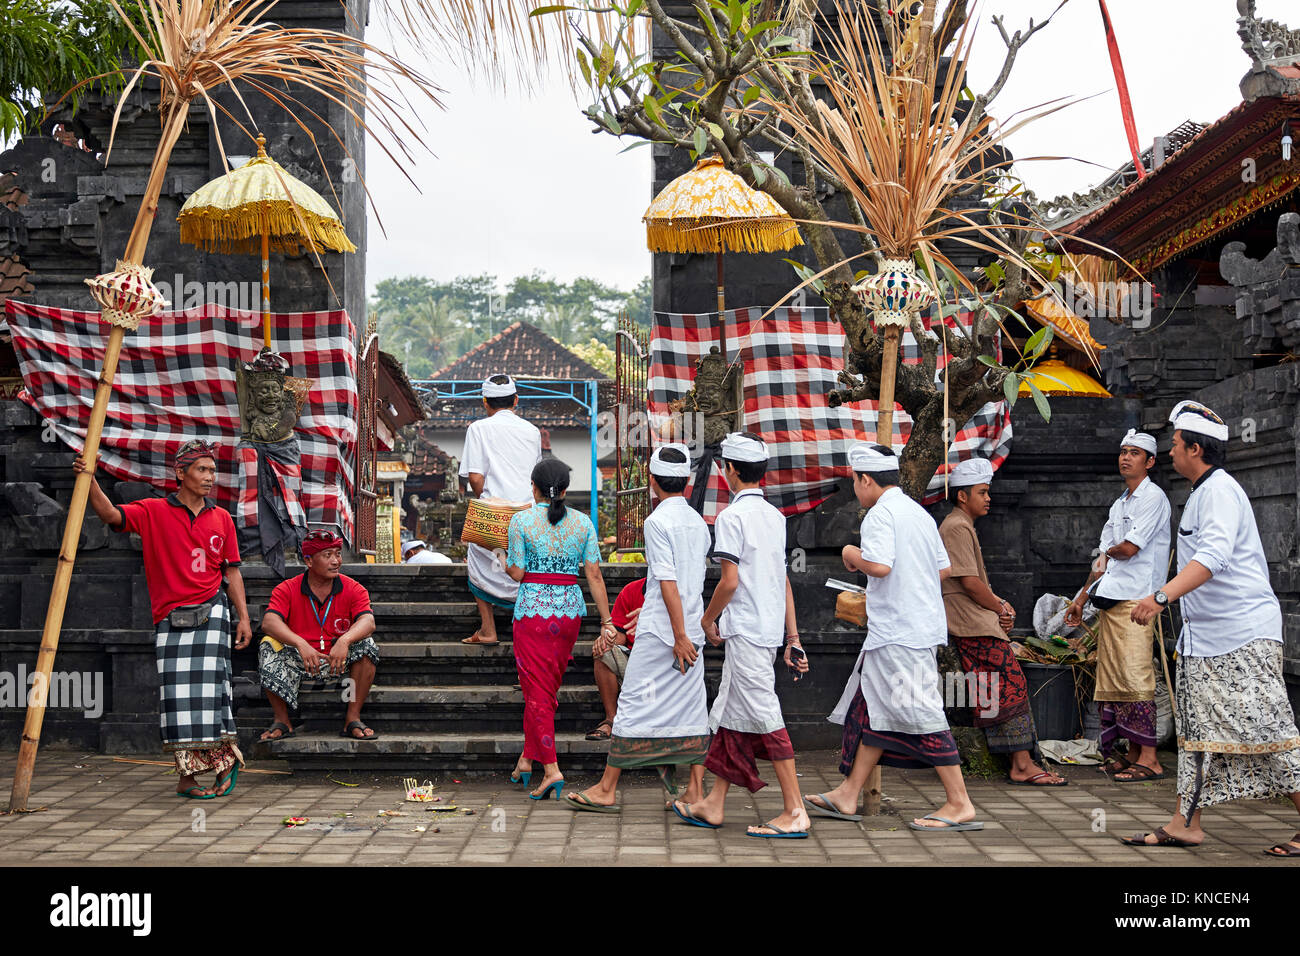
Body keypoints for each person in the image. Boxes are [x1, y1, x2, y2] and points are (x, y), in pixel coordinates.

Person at [1124, 401, 1300, 855]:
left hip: (1241, 636)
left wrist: (1161, 596)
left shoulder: (1220, 491)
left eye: (1176, 446)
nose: (1170, 453)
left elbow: (1214, 559)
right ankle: (1185, 823)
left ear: (1196, 449)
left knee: (1266, 730)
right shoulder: (1203, 490)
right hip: (1206, 640)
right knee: (1197, 733)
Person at [809, 443, 982, 832]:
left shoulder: (879, 515)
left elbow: (881, 567)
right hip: (913, 627)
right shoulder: (918, 513)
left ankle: (959, 801)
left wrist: (852, 554)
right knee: (875, 709)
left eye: (855, 481)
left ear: (866, 479)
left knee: (922, 712)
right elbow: (941, 570)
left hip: (899, 633)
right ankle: (849, 792)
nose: (855, 488)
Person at [76, 440, 252, 799]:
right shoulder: (153, 511)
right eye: (202, 470)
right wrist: (90, 478)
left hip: (214, 610)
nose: (209, 477)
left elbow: (232, 573)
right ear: (180, 473)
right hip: (170, 617)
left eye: (212, 470)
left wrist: (244, 619)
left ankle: (224, 763)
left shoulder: (221, 518)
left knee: (212, 694)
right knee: (176, 699)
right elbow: (111, 515)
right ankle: (186, 777)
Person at [672, 432, 812, 839]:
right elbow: (782, 580)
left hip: (748, 630)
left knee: (766, 715)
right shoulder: (774, 516)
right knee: (732, 717)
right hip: (764, 630)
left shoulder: (732, 518)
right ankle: (714, 803)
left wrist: (706, 619)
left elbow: (729, 581)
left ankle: (795, 809)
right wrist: (793, 635)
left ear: (729, 470)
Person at [566, 445, 711, 813]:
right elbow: (686, 582)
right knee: (693, 707)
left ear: (651, 482)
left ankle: (606, 788)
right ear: (688, 482)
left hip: (665, 631)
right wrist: (684, 632)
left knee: (630, 705)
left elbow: (667, 581)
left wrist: (676, 634)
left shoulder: (657, 521)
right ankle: (694, 789)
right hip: (690, 627)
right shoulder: (698, 522)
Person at [938, 457, 1065, 786]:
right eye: (982, 492)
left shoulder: (963, 525)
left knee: (999, 685)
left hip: (974, 618)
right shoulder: (955, 526)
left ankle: (1020, 760)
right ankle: (1020, 764)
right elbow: (969, 582)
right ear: (963, 496)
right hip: (967, 621)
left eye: (988, 492)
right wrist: (998, 608)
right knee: (1008, 681)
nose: (989, 498)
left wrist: (1000, 608)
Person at [505, 458, 616, 800]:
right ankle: (527, 760)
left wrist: (500, 557)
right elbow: (594, 575)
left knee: (536, 691)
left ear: (533, 487)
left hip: (533, 614)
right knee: (543, 690)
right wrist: (607, 620)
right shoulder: (583, 523)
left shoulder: (520, 521)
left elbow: (517, 573)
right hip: (569, 613)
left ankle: (551, 769)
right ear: (565, 490)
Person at [1065, 428, 1171, 782]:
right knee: (1114, 678)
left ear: (1150, 461)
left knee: (1136, 675)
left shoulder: (1153, 498)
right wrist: (1080, 599)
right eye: (1123, 451)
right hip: (1112, 598)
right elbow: (1105, 560)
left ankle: (1151, 758)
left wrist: (1109, 551)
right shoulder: (1120, 503)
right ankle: (1131, 751)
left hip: (1139, 600)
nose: (1126, 457)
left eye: (1134, 453)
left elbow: (1127, 550)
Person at [257, 530, 380, 742]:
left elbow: (368, 622)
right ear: (308, 561)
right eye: (327, 555)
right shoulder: (287, 588)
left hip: (338, 660)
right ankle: (282, 720)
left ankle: (352, 718)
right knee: (267, 645)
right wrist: (299, 643)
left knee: (367, 645)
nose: (336, 561)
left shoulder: (354, 589)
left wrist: (344, 640)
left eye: (338, 554)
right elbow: (269, 622)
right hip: (301, 659)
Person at [460, 373, 542, 645]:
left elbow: (474, 478)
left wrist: (484, 498)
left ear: (485, 402)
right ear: (516, 400)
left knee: (478, 561)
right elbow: (536, 476)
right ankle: (528, 626)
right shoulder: (532, 431)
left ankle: (488, 629)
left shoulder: (478, 429)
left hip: (494, 512)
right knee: (524, 567)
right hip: (527, 512)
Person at [585, 576, 645, 741]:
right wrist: (606, 638)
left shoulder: (680, 591)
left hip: (666, 666)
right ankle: (612, 719)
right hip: (633, 662)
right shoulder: (632, 590)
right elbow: (618, 637)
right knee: (604, 649)